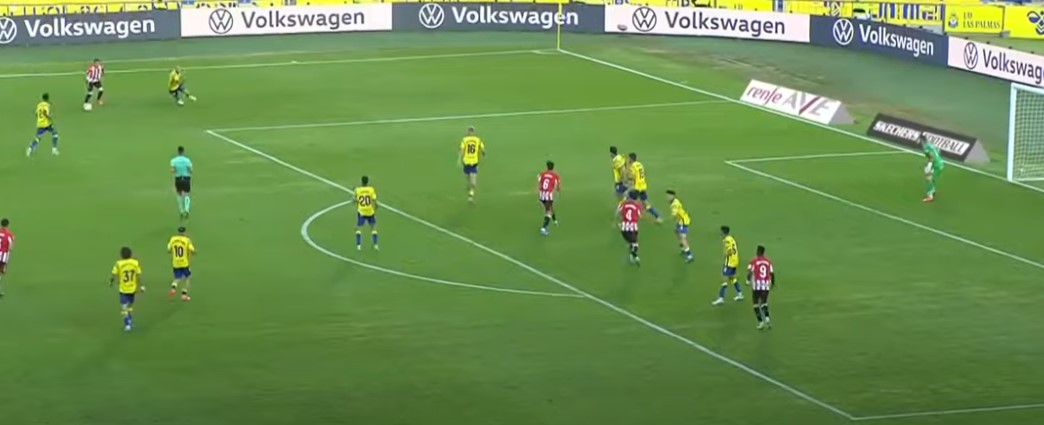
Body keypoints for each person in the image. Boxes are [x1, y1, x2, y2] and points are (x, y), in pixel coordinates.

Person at [110, 247, 143, 332]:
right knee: (129, 306)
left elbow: (114, 274)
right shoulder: (135, 263)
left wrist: (111, 281)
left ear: (121, 255)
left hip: (123, 289)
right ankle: (129, 321)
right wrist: (140, 286)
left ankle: (127, 324)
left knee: (124, 307)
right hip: (133, 288)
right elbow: (138, 275)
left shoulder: (119, 263)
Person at [626, 153, 662, 222]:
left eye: (628, 158)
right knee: (645, 203)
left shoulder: (633, 166)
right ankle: (657, 216)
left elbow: (632, 177)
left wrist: (628, 176)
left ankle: (629, 218)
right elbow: (642, 174)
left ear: (631, 159)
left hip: (637, 188)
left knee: (627, 201)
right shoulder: (640, 164)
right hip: (642, 187)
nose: (628, 160)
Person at [713, 225, 743, 305]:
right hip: (735, 261)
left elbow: (729, 250)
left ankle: (721, 298)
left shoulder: (726, 240)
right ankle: (740, 293)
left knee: (724, 279)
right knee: (732, 278)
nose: (720, 234)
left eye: (721, 232)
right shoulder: (731, 238)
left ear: (723, 233)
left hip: (729, 262)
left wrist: (726, 254)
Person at [747, 245, 776, 330]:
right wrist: (773, 282)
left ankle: (760, 322)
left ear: (758, 252)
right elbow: (772, 273)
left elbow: (750, 272)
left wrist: (748, 280)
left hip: (757, 284)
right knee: (764, 302)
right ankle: (767, 318)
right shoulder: (768, 261)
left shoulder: (754, 261)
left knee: (755, 303)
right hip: (765, 284)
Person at [168, 226, 196, 301]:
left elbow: (169, 250)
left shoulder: (173, 239)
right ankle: (184, 294)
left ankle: (173, 287)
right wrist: (193, 253)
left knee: (177, 278)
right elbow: (192, 250)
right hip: (184, 263)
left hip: (175, 262)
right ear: (185, 232)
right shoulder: (187, 240)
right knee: (187, 277)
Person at [458, 126, 485, 202]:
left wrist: (459, 159)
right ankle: (470, 188)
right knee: (468, 180)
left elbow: (461, 149)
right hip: (467, 163)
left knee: (473, 182)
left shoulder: (465, 140)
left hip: (473, 163)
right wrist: (484, 153)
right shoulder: (476, 140)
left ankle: (471, 196)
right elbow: (482, 148)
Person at [666, 190, 693, 262]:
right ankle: (683, 249)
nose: (667, 197)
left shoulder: (674, 205)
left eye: (669, 196)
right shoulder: (675, 201)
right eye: (667, 196)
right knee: (677, 232)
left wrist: (665, 220)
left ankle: (689, 255)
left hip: (683, 222)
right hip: (681, 220)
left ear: (673, 196)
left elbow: (674, 216)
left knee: (683, 238)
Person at [617, 191, 643, 265]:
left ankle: (632, 256)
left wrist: (619, 222)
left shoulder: (624, 204)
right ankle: (635, 256)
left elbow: (618, 212)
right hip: (633, 228)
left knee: (632, 243)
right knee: (635, 244)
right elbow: (640, 216)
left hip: (624, 228)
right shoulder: (637, 206)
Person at [354, 176, 379, 251]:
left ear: (361, 182)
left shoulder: (357, 190)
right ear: (368, 182)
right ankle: (375, 245)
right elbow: (374, 200)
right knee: (373, 228)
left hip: (361, 212)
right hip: (370, 211)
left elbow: (355, 199)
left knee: (358, 228)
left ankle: (358, 245)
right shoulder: (371, 189)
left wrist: (355, 202)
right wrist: (376, 206)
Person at [537, 161, 561, 236]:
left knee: (550, 208)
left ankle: (555, 221)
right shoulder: (555, 176)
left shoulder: (542, 173)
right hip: (548, 196)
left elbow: (539, 181)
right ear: (553, 167)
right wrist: (557, 190)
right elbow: (558, 188)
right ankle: (543, 228)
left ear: (547, 167)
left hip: (541, 194)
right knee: (548, 213)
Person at [171, 146, 193, 219]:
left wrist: (178, 170)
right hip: (186, 178)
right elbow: (190, 170)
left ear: (178, 152)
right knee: (187, 194)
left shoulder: (174, 160)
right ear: (183, 152)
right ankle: (187, 209)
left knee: (179, 194)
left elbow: (173, 170)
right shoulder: (187, 160)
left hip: (178, 179)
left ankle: (181, 211)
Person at [921, 135, 944, 203]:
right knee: (931, 177)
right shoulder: (930, 145)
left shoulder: (925, 147)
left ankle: (930, 196)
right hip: (940, 163)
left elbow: (931, 156)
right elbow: (939, 151)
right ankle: (932, 190)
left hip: (937, 165)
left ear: (921, 140)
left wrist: (929, 164)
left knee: (928, 178)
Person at [0, 219, 13, 298]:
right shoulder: (9, 235)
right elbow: (10, 247)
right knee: (1, 272)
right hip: (3, 256)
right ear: (8, 225)